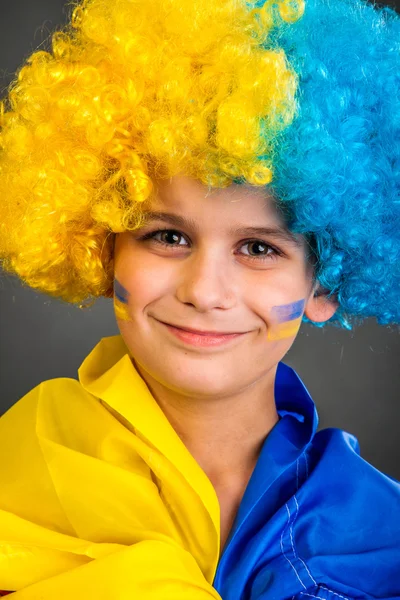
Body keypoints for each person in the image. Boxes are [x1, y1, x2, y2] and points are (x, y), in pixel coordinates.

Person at [0, 0, 399, 597]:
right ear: (101, 249)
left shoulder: (382, 536)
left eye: (259, 249)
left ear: (322, 287)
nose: (205, 292)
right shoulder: (19, 473)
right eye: (167, 236)